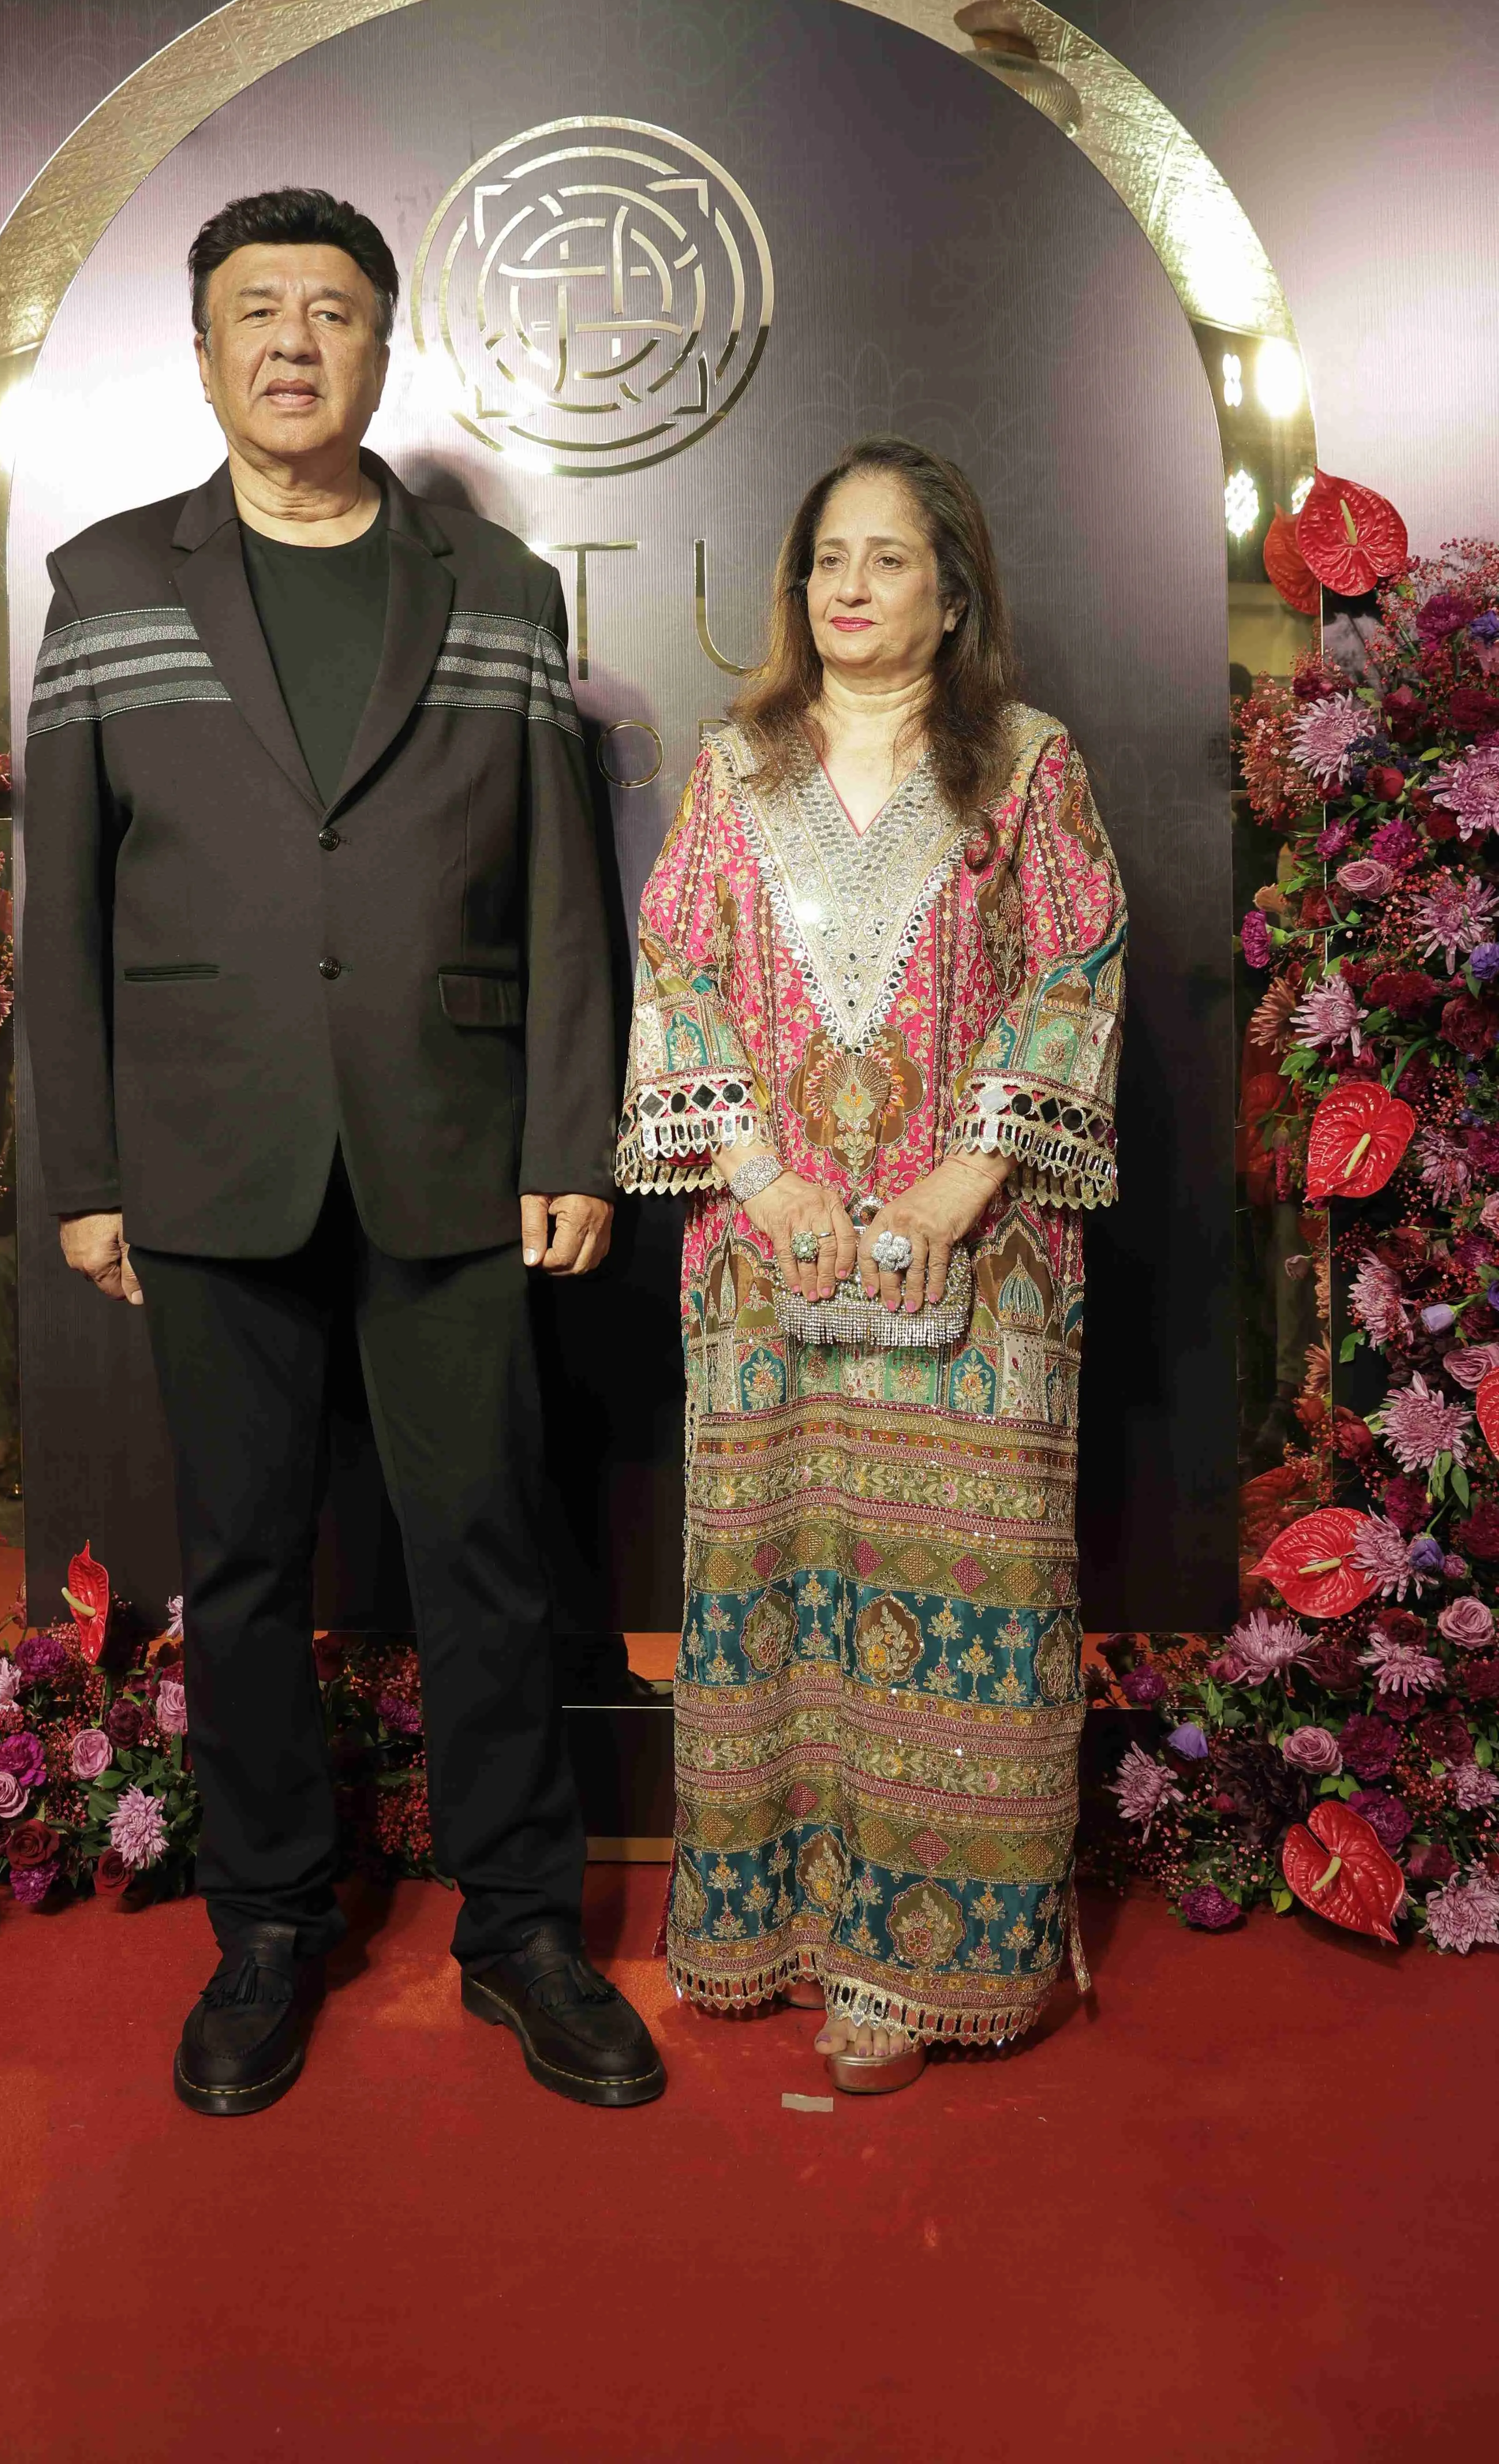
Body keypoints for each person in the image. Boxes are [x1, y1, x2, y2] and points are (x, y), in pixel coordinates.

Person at [23, 186, 665, 2116]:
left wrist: (569, 1129)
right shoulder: (104, 581)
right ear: (207, 350)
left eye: (330, 312)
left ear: (385, 347)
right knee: (236, 1568)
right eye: (256, 313)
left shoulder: (497, 588)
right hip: (207, 1153)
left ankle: (521, 1930)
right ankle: (269, 1924)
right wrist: (85, 1169)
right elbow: (63, 906)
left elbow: (566, 892)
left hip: (458, 1146)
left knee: (484, 1552)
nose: (293, 343)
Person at [617, 436, 1125, 2093]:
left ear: (953, 589)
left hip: (972, 1275)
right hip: (767, 1267)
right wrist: (762, 1182)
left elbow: (1077, 967)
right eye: (827, 557)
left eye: (887, 558)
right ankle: (770, 1928)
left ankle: (927, 1968)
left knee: (954, 1590)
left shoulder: (1027, 769)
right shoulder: (733, 768)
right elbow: (679, 978)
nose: (848, 586)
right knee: (774, 1592)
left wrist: (962, 1184)